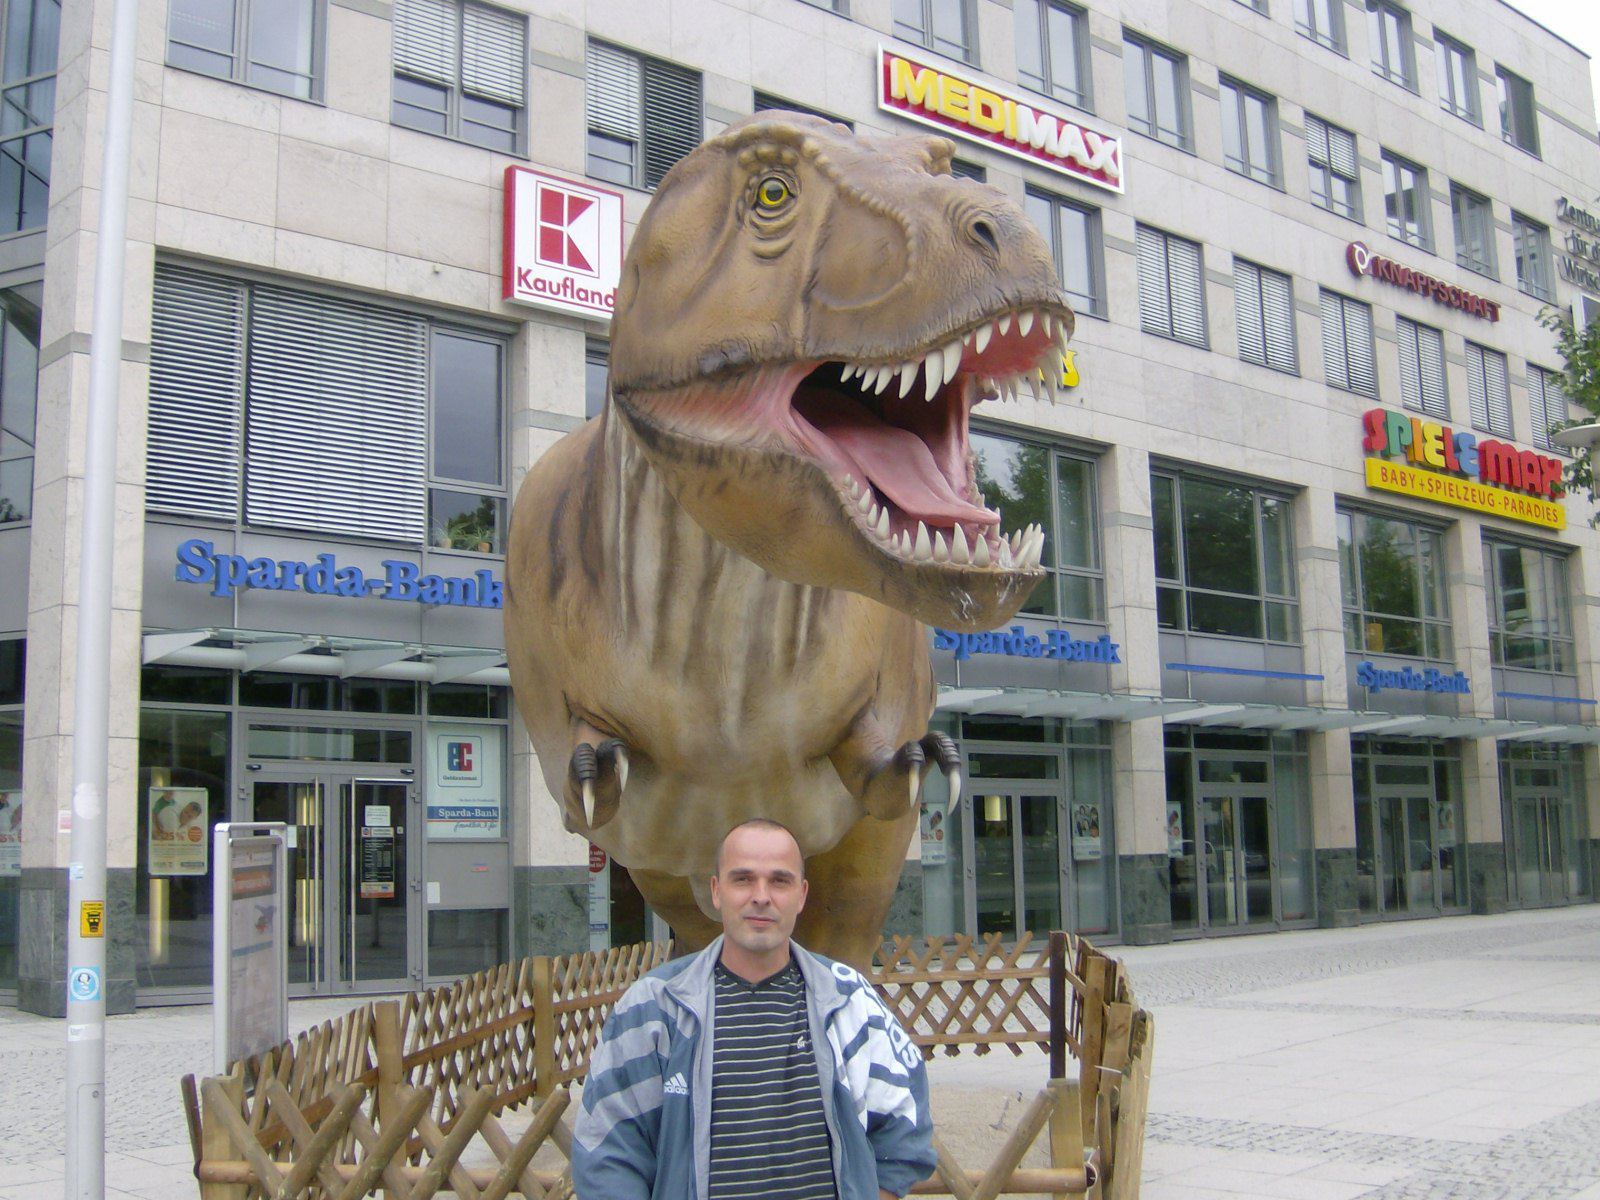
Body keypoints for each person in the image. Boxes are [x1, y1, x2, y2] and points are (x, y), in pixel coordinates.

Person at [574, 818, 938, 1200]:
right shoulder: (654, 1008)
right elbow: (607, 1149)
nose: (761, 896)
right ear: (716, 891)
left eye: (779, 880)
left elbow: (905, 1121)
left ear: (801, 894)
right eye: (743, 879)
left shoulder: (849, 1000)